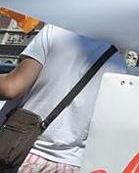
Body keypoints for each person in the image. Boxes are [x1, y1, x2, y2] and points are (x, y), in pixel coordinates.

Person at [0, 24, 127, 172]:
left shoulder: (55, 32)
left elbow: (11, 88)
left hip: (18, 152)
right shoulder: (120, 66)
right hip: (70, 163)